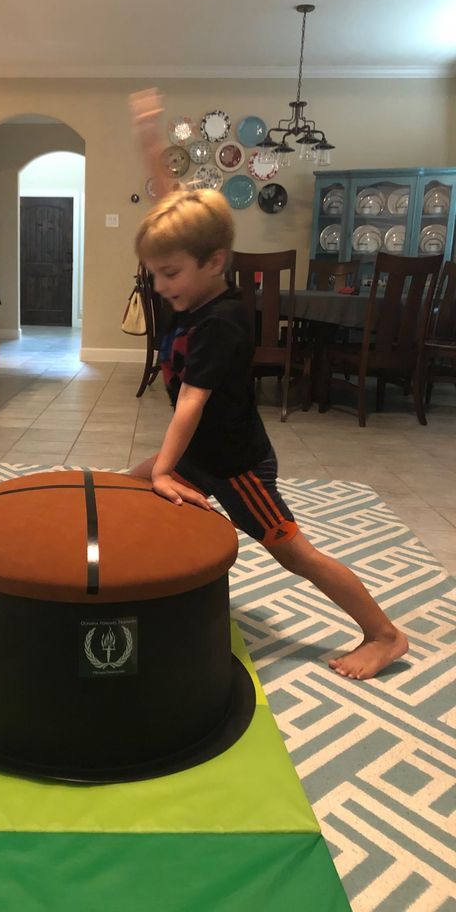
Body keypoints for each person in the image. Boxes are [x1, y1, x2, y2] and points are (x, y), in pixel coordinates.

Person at [128, 88, 408, 680]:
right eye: (155, 273)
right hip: (203, 453)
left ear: (214, 262)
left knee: (294, 555)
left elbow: (192, 405)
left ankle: (384, 635)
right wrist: (153, 147)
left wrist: (161, 469)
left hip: (237, 467)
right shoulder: (192, 288)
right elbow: (179, 209)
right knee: (120, 486)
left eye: (169, 273)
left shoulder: (221, 321)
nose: (160, 285)